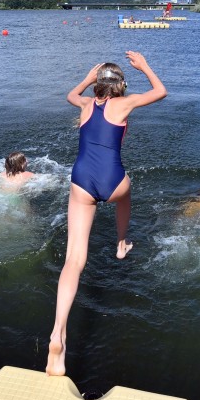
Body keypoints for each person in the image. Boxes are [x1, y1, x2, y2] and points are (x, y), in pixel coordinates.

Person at [46, 50, 167, 377]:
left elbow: (71, 94)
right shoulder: (123, 104)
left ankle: (58, 332)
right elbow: (161, 92)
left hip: (82, 181)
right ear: (121, 87)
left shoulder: (86, 104)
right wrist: (144, 66)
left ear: (98, 87)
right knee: (126, 197)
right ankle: (121, 242)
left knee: (74, 260)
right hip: (112, 180)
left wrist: (87, 78)